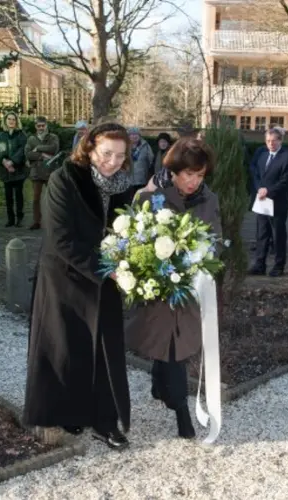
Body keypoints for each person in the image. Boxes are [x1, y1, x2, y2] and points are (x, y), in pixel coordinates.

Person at [24, 122, 134, 451]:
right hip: (65, 278)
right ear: (89, 149)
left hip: (106, 279)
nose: (113, 162)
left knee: (105, 351)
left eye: (120, 155)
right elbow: (59, 238)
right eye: (106, 154)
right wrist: (107, 270)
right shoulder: (65, 178)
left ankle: (105, 421)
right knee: (65, 349)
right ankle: (66, 414)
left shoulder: (123, 185)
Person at [126, 138, 221, 440]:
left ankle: (171, 397)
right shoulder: (148, 196)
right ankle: (180, 406)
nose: (194, 182)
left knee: (176, 348)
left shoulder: (210, 200)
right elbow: (134, 240)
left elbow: (215, 240)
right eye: (188, 174)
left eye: (200, 175)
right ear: (174, 170)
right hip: (159, 288)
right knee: (167, 344)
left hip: (189, 287)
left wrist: (203, 264)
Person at [248, 127, 288, 277]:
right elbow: (256, 174)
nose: (271, 144)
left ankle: (279, 266)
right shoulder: (262, 155)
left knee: (278, 234)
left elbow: (285, 180)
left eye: (274, 141)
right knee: (262, 233)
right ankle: (259, 264)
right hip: (262, 200)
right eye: (268, 141)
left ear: (280, 141)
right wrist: (260, 188)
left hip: (277, 202)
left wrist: (269, 191)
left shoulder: (286, 156)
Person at [25, 116, 60, 230]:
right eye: (38, 126)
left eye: (43, 126)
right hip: (36, 172)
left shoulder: (53, 137)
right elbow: (28, 154)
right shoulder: (31, 139)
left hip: (50, 171)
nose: (41, 128)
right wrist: (42, 155)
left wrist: (38, 147)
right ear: (35, 126)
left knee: (52, 197)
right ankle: (37, 221)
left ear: (46, 125)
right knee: (36, 198)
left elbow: (54, 148)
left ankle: (53, 221)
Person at [0, 112, 28, 227]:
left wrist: (12, 162)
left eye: (13, 119)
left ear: (17, 121)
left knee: (18, 195)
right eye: (9, 119)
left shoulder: (21, 135)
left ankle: (19, 218)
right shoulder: (0, 136)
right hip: (5, 171)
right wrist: (4, 162)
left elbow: (22, 150)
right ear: (5, 121)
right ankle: (10, 219)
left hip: (18, 170)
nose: (11, 121)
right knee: (8, 196)